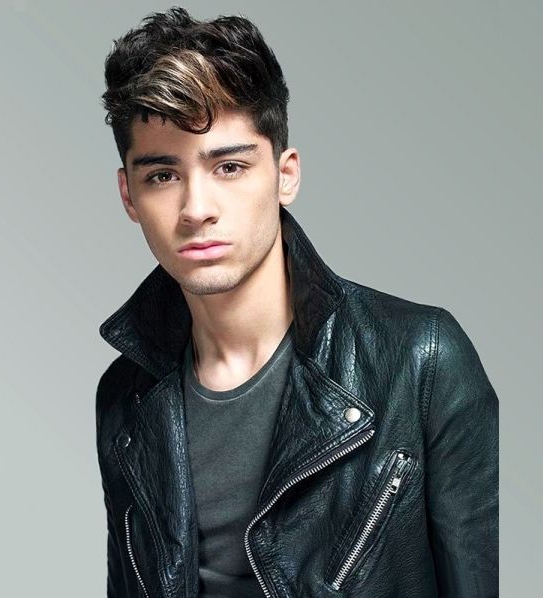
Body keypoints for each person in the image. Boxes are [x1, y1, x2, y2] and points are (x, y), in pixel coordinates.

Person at [95, 7, 499, 598]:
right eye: (162, 175)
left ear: (286, 176)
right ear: (128, 195)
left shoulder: (423, 361)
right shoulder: (125, 397)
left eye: (229, 167)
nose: (196, 208)